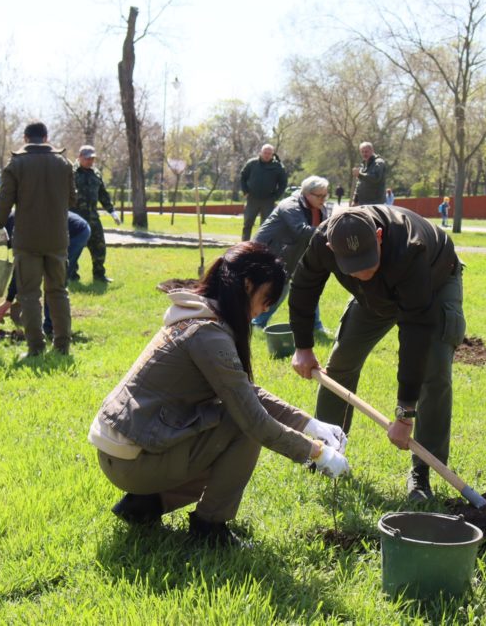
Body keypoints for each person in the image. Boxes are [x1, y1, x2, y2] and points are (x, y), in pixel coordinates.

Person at [88, 242, 350, 547]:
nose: (264, 310)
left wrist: (309, 424)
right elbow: (253, 419)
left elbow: (243, 390)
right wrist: (315, 453)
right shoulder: (208, 334)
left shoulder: (198, 315)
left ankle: (145, 506)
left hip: (125, 452)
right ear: (248, 285)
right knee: (242, 425)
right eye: (267, 300)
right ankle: (209, 528)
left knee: (235, 417)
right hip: (134, 462)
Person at [289, 205, 465, 502]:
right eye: (352, 266)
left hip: (433, 283)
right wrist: (303, 347)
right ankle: (326, 451)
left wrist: (405, 412)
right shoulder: (322, 242)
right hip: (374, 300)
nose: (363, 272)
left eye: (367, 261)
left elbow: (415, 332)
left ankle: (423, 473)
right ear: (332, 248)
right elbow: (304, 287)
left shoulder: (412, 248)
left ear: (379, 236)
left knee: (434, 372)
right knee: (342, 360)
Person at [0, 121, 77, 359]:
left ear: (26, 138)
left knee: (29, 294)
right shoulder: (63, 163)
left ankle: (35, 348)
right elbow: (73, 199)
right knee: (58, 292)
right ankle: (62, 346)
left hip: (26, 240)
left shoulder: (16, 164)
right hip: (57, 239)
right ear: (46, 137)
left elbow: (4, 201)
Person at [251, 175, 330, 330]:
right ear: (307, 193)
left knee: (309, 284)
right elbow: (302, 231)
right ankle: (257, 323)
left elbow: (318, 232)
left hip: (294, 251)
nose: (323, 199)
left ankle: (315, 325)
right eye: (319, 195)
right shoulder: (290, 205)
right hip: (269, 252)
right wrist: (331, 232)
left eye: (325, 195)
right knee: (280, 288)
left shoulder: (320, 208)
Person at [0, 211, 91, 335]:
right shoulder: (13, 220)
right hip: (60, 233)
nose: (1, 242)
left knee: (55, 281)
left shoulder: (15, 224)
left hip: (76, 232)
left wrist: (8, 300)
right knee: (53, 279)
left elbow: (20, 266)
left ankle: (51, 328)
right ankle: (52, 326)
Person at [73, 145, 120, 283]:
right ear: (80, 157)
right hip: (75, 217)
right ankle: (71, 275)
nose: (90, 161)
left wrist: (112, 211)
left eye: (92, 158)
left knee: (99, 246)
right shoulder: (70, 173)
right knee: (74, 247)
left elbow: (102, 194)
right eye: (87, 158)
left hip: (92, 217)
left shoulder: (96, 173)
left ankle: (99, 275)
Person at [239, 144, 287, 241]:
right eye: (265, 153)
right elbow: (243, 177)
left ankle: (261, 245)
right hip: (252, 198)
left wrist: (275, 197)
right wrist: (245, 191)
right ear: (261, 152)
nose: (267, 155)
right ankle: (244, 245)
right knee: (247, 223)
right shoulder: (252, 163)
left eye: (269, 153)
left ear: (272, 154)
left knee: (266, 225)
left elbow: (283, 183)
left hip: (268, 200)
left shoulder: (278, 167)